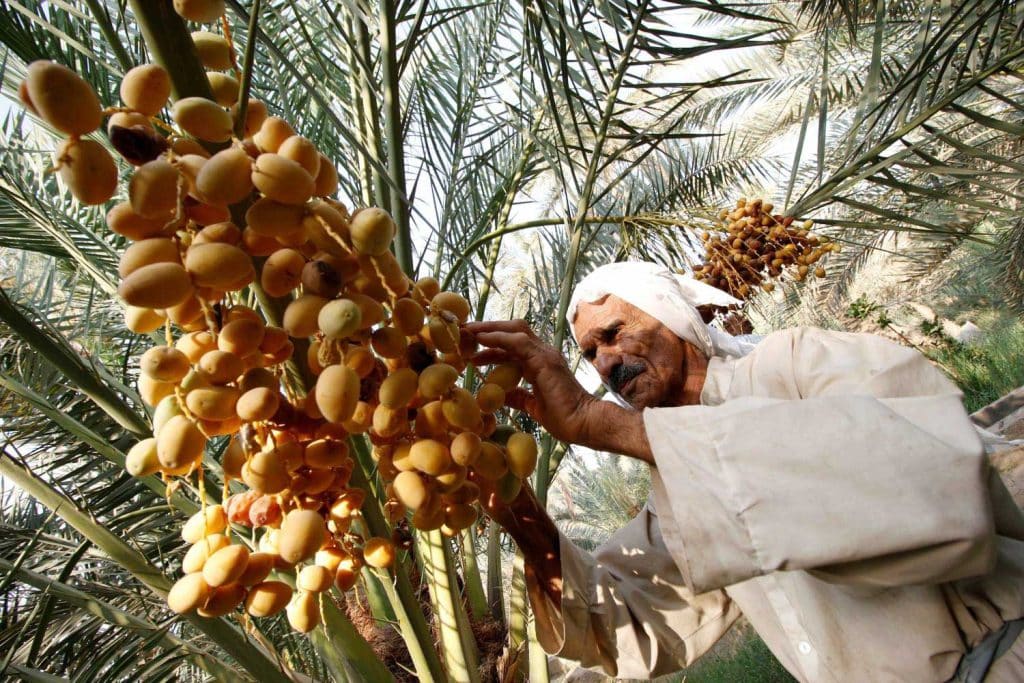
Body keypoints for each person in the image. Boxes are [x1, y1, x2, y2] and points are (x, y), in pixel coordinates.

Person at [465, 261, 1024, 683]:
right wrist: (520, 511)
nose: (606, 362)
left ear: (675, 318)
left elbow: (925, 474)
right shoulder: (678, 487)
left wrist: (603, 425)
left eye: (613, 334)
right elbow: (632, 625)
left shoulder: (795, 363)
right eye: (589, 354)